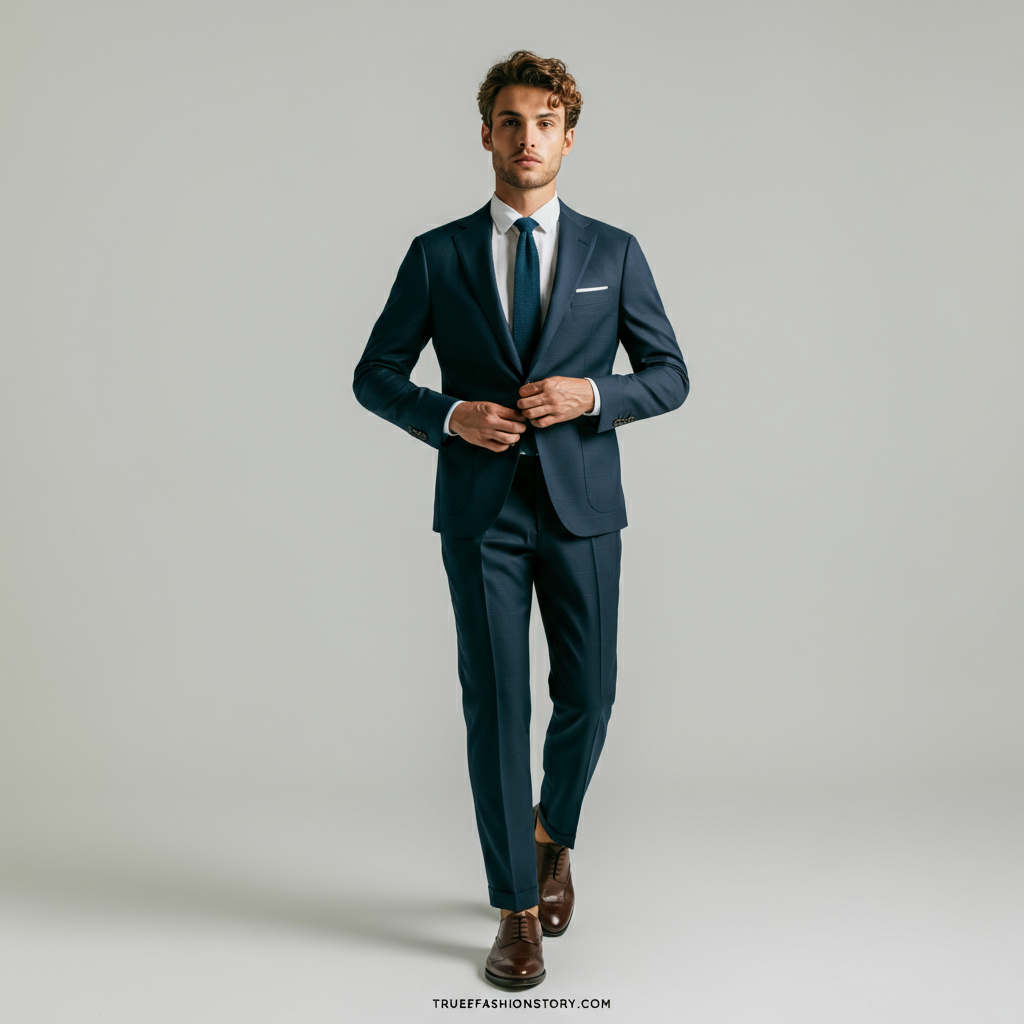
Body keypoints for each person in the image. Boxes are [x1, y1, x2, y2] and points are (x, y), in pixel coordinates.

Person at [353, 50, 688, 988]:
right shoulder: (439, 253)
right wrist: (448, 415)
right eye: (511, 119)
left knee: (591, 694)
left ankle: (553, 836)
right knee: (496, 707)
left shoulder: (613, 252)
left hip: (583, 512)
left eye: (546, 120)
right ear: (488, 134)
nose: (528, 135)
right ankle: (513, 909)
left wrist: (592, 394)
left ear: (568, 139)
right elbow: (374, 372)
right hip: (481, 514)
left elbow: (670, 375)